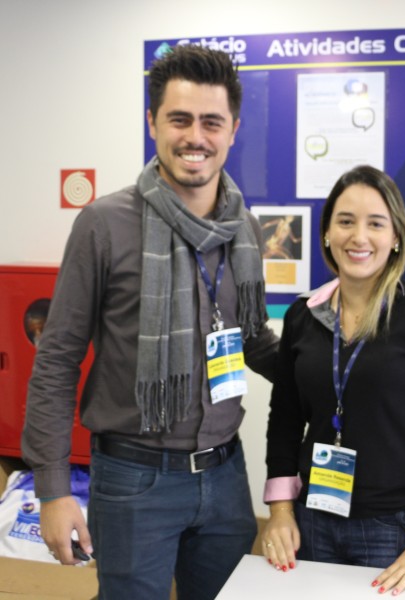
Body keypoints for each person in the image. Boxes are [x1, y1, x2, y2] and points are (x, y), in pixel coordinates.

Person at [22, 45, 279, 600]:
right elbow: (57, 359)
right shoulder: (104, 224)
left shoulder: (246, 229)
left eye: (211, 122)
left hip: (225, 474)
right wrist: (52, 490)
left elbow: (252, 339)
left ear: (232, 129)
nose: (196, 137)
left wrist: (341, 366)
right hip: (134, 479)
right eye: (179, 119)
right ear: (152, 123)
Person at [261, 165, 405, 595]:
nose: (358, 237)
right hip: (312, 519)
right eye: (345, 221)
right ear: (326, 234)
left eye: (375, 223)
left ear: (395, 236)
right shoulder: (304, 315)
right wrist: (281, 510)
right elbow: (284, 420)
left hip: (394, 528)